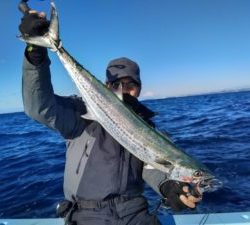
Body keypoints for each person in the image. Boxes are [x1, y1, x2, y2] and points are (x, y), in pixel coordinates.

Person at [19, 10, 202, 225]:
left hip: (136, 213)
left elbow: (153, 166)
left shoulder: (150, 128)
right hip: (87, 215)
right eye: (116, 85)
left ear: (139, 89)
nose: (124, 90)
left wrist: (169, 186)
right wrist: (35, 53)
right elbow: (38, 107)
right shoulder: (80, 113)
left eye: (130, 85)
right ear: (107, 86)